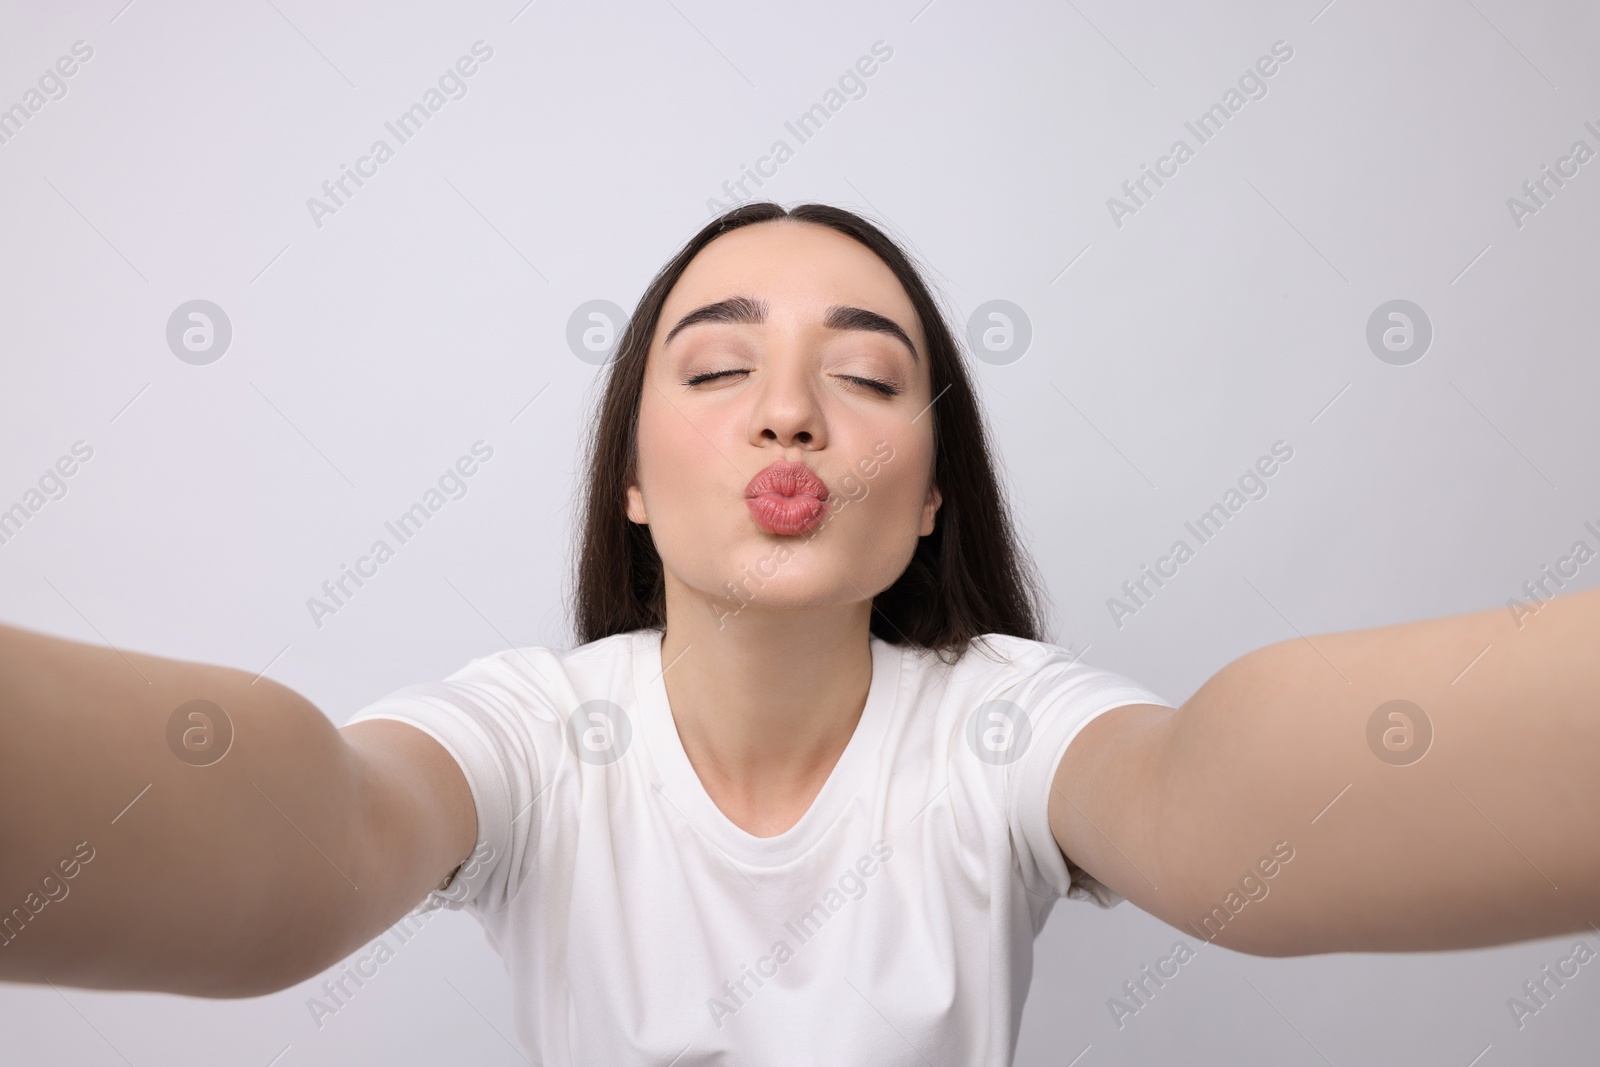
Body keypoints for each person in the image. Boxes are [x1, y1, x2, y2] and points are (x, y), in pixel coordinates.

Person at [1, 201, 1595, 1066]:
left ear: (925, 505)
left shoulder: (1000, 725)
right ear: (630, 483)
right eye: (712, 372)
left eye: (870, 376)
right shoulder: (539, 734)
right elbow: (318, 827)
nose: (787, 410)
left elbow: (1214, 800)